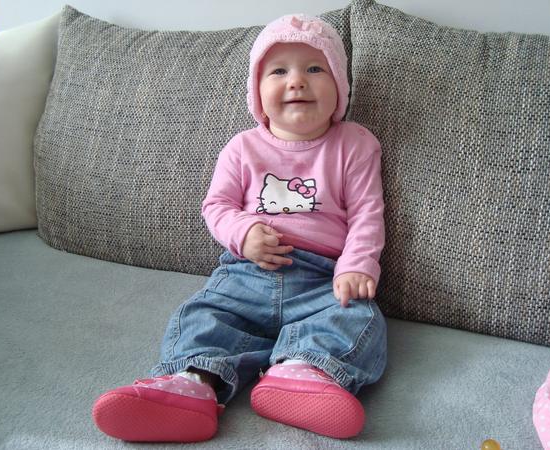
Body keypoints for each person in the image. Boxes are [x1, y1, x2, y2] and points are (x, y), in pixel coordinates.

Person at [92, 13, 387, 442]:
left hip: (324, 281)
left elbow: (366, 213)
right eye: (279, 71)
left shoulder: (355, 144)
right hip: (245, 276)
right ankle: (192, 383)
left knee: (358, 318)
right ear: (257, 91)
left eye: (314, 69)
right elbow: (217, 205)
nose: (297, 82)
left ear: (339, 85)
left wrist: (357, 266)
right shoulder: (242, 147)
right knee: (204, 316)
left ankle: (302, 372)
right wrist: (244, 233)